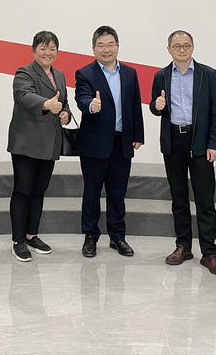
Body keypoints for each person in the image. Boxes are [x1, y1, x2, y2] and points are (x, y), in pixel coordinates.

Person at [150, 30, 216, 275]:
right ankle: (183, 246)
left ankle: (209, 252)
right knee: (179, 198)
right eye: (176, 46)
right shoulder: (161, 76)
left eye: (186, 45)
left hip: (200, 141)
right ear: (169, 50)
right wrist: (156, 106)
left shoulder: (208, 75)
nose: (181, 50)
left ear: (193, 47)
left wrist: (214, 143)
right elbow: (155, 107)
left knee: (205, 200)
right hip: (173, 141)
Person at [75, 25, 144, 258]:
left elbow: (135, 105)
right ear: (93, 48)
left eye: (110, 45)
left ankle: (117, 237)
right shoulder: (85, 73)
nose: (106, 49)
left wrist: (138, 135)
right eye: (101, 45)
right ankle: (90, 236)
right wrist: (90, 105)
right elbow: (81, 98)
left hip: (121, 143)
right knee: (92, 193)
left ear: (117, 46)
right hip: (94, 144)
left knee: (117, 193)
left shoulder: (130, 73)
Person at [6, 31, 72, 262]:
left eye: (52, 48)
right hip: (26, 142)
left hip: (50, 143)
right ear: (34, 50)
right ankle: (18, 241)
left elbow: (64, 102)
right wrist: (47, 104)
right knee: (22, 191)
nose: (48, 53)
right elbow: (24, 96)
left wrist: (65, 113)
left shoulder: (59, 75)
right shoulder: (24, 72)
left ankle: (31, 235)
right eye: (43, 48)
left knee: (39, 191)